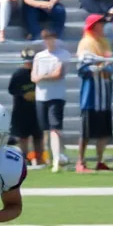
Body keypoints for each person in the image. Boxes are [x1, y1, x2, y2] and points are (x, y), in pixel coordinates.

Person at [76, 13, 113, 172]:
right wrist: (101, 66)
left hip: (104, 93)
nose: (103, 26)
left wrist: (104, 66)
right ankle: (80, 162)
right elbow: (83, 67)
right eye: (100, 23)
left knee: (104, 131)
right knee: (86, 131)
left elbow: (110, 65)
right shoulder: (86, 42)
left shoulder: (104, 42)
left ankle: (100, 160)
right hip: (90, 94)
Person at [32, 28, 72, 172]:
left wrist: (43, 76)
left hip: (56, 95)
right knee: (45, 129)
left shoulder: (63, 54)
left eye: (50, 37)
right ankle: (53, 156)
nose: (48, 41)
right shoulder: (39, 56)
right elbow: (33, 76)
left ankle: (57, 159)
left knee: (55, 127)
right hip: (41, 96)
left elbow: (58, 74)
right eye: (46, 38)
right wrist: (43, 76)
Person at [9, 49, 43, 166]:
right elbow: (11, 89)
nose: (29, 64)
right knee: (23, 137)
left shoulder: (39, 73)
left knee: (38, 136)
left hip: (37, 110)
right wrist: (23, 94)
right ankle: (24, 158)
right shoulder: (18, 74)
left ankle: (39, 158)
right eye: (27, 62)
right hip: (21, 111)